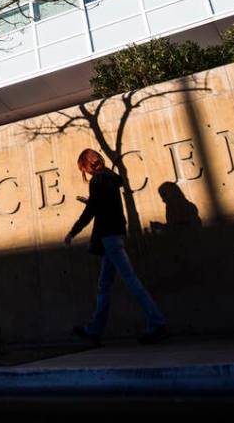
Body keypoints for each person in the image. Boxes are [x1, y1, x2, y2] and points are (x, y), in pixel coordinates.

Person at [65, 148, 168, 345]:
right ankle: (94, 329)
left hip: (109, 238)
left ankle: (157, 323)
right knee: (104, 285)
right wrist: (92, 201)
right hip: (116, 234)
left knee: (130, 280)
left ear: (87, 166)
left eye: (83, 168)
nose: (84, 173)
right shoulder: (110, 178)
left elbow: (92, 212)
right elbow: (104, 205)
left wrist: (73, 231)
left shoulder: (97, 180)